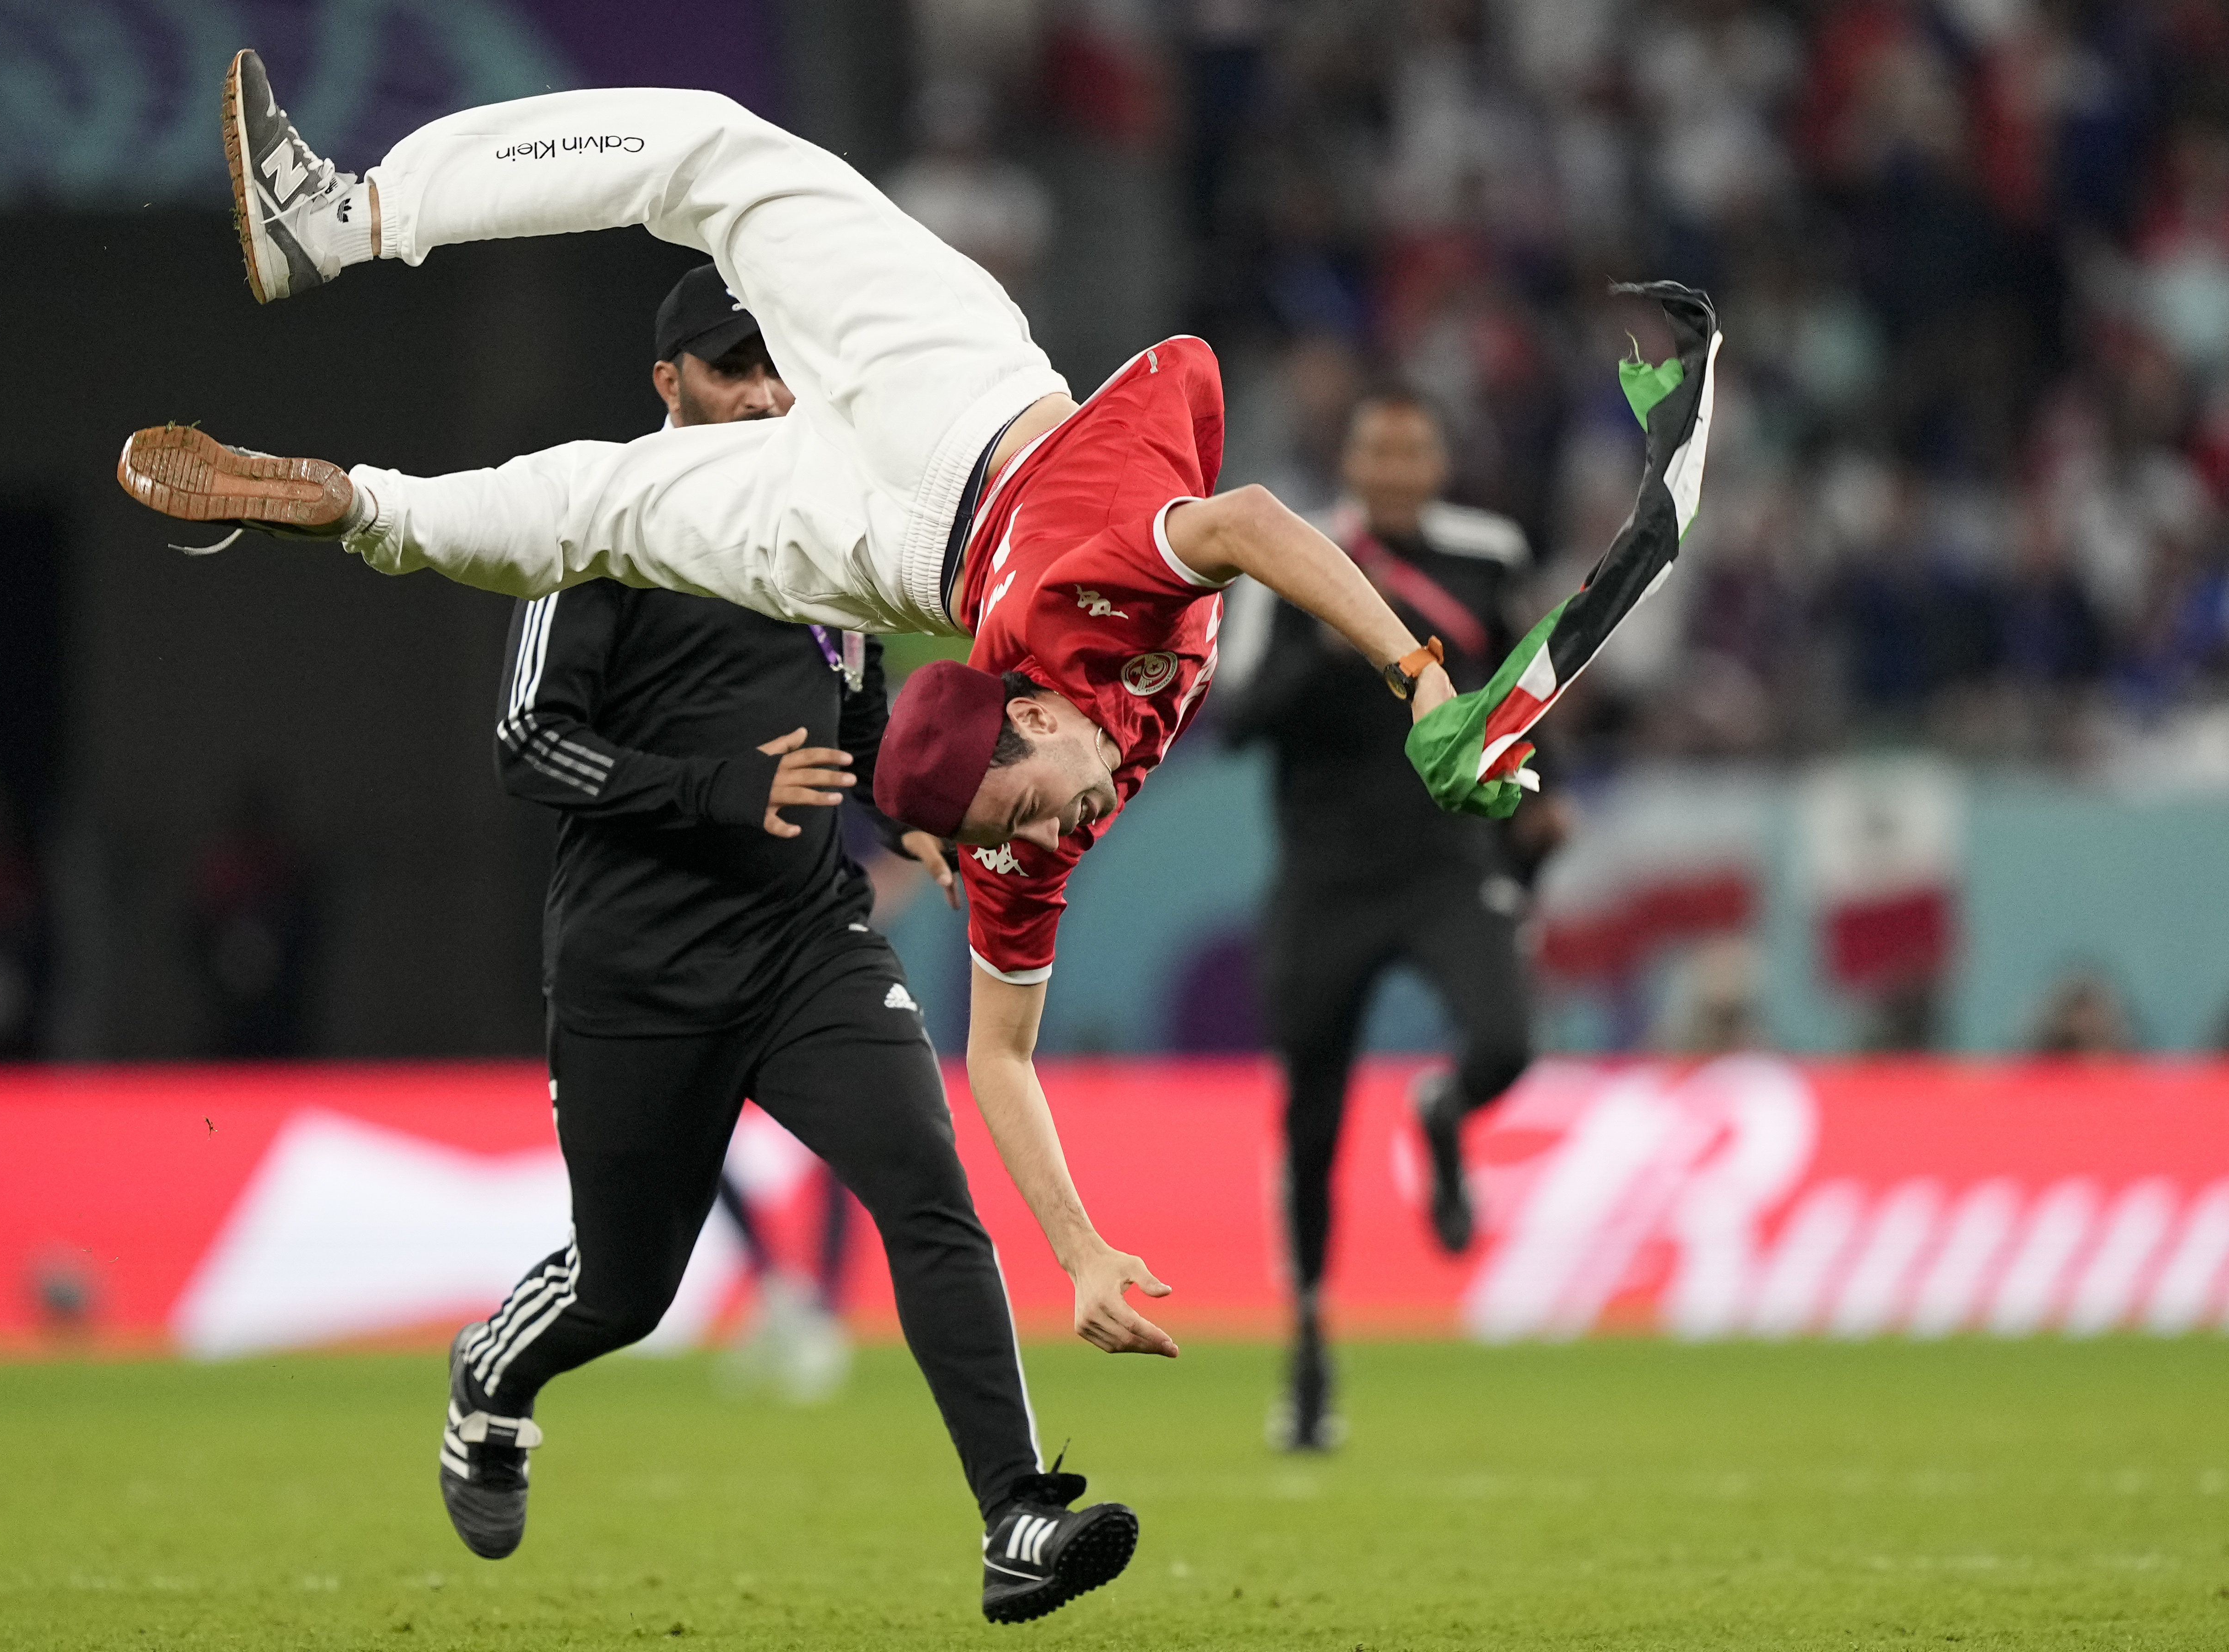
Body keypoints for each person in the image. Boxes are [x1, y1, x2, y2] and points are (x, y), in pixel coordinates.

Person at [120, 55, 1468, 1370]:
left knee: (697, 218)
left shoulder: (1056, 703)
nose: (1073, 823)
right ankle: (371, 498)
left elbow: (1238, 518)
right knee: (606, 511)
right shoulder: (1050, 705)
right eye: (1038, 810)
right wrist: (1421, 675)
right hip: (915, 498)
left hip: (928, 474)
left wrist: (1085, 1249)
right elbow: (1241, 524)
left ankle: (355, 305)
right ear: (1023, 716)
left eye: (1024, 819)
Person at [444, 264, 1133, 1624]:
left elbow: (854, 710)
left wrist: (911, 808)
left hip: (802, 939)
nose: (762, 395)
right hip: (636, 964)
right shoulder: (597, 518)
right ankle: (491, 1377)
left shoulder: (828, 510)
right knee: (625, 1287)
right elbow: (527, 741)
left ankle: (1015, 1516)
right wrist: (714, 790)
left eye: (776, 369)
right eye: (728, 371)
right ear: (667, 386)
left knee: (928, 1195)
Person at [1216, 386, 1564, 1453]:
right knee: (1309, 1125)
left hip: (1443, 860)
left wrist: (1538, 809)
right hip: (1325, 871)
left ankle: (1448, 1112)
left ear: (1440, 457)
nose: (1399, 464)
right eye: (1379, 447)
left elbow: (1532, 687)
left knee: (1506, 1043)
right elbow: (1235, 717)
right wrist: (1335, 652)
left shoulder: (1489, 554)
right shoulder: (1294, 551)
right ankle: (1311, 1351)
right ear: (1353, 459)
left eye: (1416, 446)